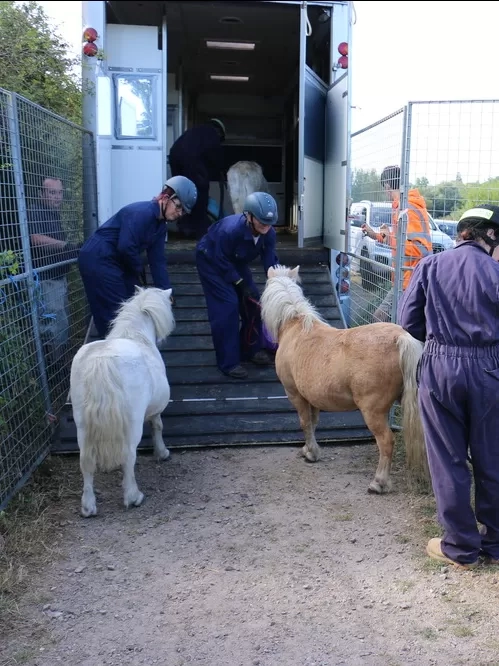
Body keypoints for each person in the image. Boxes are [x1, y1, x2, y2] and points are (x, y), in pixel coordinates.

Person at [398, 204, 499, 569]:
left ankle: (459, 547)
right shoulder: (497, 271)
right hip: (490, 369)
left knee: (448, 458)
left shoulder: (430, 265)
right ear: (490, 235)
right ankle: (495, 541)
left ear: (462, 233)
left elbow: (407, 322)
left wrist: (442, 341)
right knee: (492, 455)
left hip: (440, 367)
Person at [78, 176, 197, 339]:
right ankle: (115, 352)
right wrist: (139, 275)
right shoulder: (142, 212)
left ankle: (124, 348)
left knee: (132, 302)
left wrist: (166, 293)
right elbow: (126, 247)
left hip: (118, 260)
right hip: (99, 258)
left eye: (183, 211)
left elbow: (158, 262)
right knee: (116, 314)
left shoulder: (160, 227)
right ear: (165, 197)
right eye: (178, 206)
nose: (179, 213)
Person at [196, 192, 279, 379]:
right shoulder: (230, 230)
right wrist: (240, 283)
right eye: (261, 221)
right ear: (248, 216)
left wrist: (274, 279)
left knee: (254, 303)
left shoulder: (269, 232)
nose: (265, 226)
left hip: (235, 259)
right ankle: (228, 362)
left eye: (269, 223)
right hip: (211, 259)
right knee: (227, 306)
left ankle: (250, 350)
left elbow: (269, 258)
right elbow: (220, 260)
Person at [362, 165, 432, 322]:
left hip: (411, 280)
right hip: (405, 279)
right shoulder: (403, 206)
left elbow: (420, 249)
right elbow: (403, 241)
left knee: (381, 318)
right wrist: (378, 236)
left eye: (384, 188)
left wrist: (388, 237)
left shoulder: (407, 208)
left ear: (387, 185)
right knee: (392, 322)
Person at [27, 176, 79, 364]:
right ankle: (55, 368)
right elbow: (36, 238)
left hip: (59, 276)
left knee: (61, 322)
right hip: (46, 278)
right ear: (41, 193)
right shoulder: (35, 211)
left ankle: (60, 361)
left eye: (59, 193)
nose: (57, 197)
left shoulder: (53, 212)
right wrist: (65, 246)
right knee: (54, 325)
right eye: (52, 192)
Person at [168, 118, 226, 240]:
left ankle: (185, 227)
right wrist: (220, 170)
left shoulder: (195, 131)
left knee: (182, 193)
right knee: (201, 192)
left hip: (175, 156)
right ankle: (200, 231)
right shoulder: (213, 134)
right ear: (220, 131)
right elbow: (215, 157)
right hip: (191, 160)